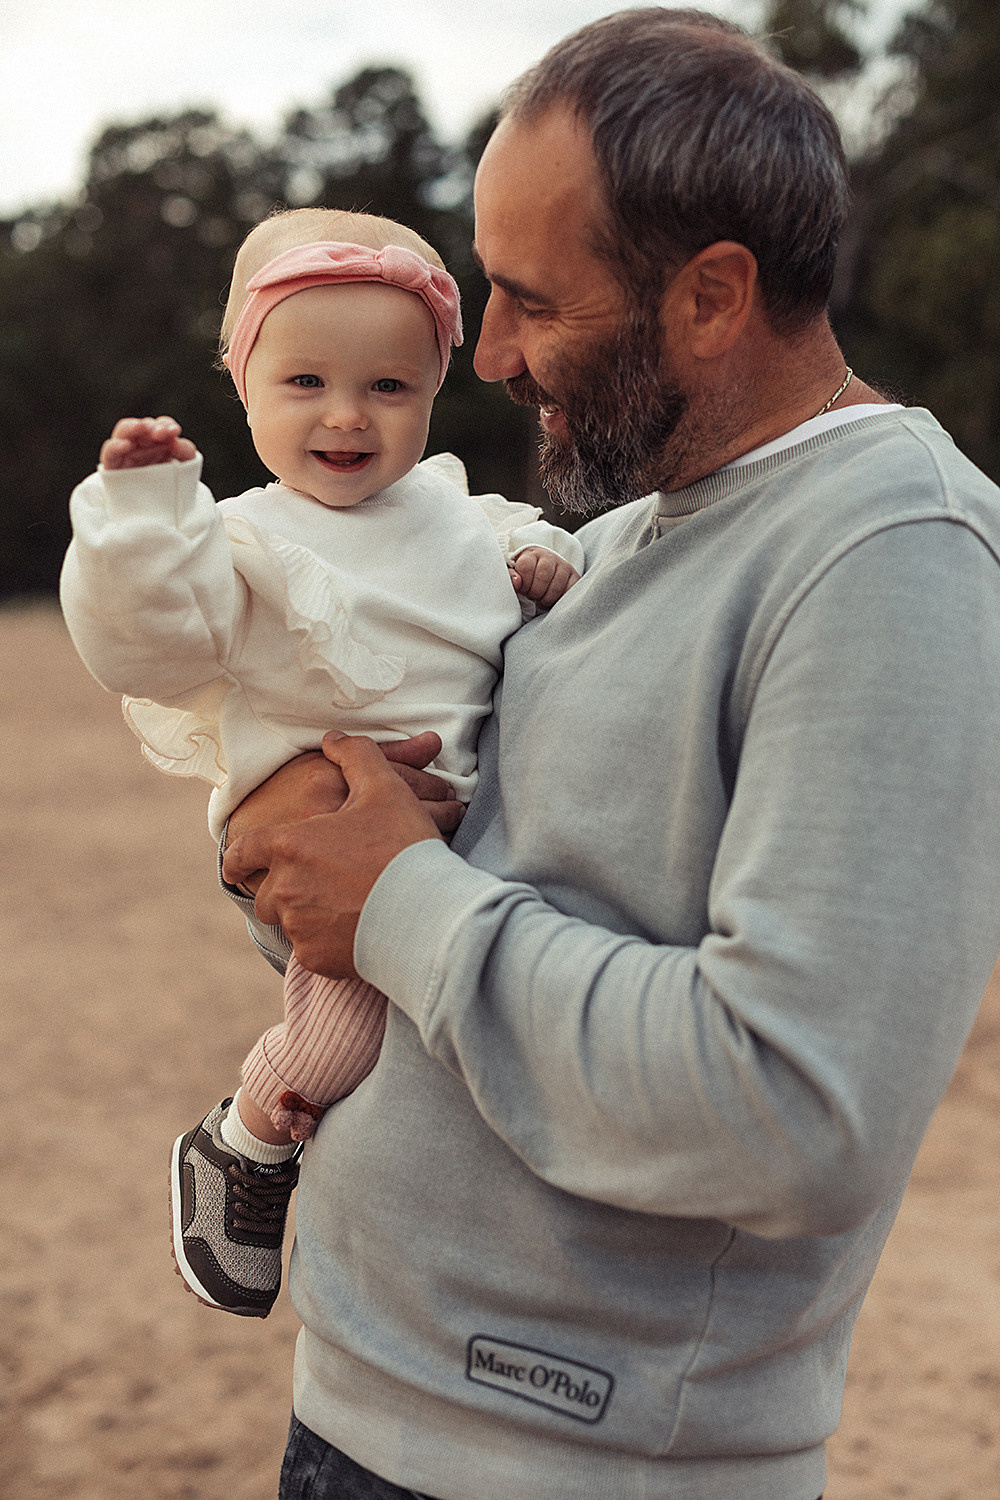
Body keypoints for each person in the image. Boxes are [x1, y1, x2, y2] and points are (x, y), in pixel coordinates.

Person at [221, 9, 1000, 1499]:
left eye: (530, 300)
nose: (490, 354)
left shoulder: (894, 551)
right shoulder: (614, 539)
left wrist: (394, 900)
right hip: (361, 1403)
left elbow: (793, 1109)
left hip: (568, 1464)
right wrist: (291, 855)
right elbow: (439, 916)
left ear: (713, 295)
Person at [59, 206, 583, 1319]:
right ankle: (244, 1141)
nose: (347, 416)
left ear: (433, 389)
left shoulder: (449, 508)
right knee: (351, 1028)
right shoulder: (237, 541)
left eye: (387, 387)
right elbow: (146, 644)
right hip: (324, 841)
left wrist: (543, 555)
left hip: (459, 843)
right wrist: (144, 522)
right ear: (243, 385)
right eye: (305, 384)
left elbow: (529, 538)